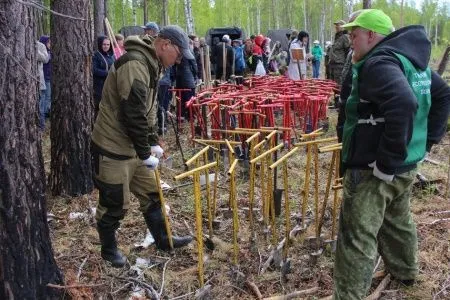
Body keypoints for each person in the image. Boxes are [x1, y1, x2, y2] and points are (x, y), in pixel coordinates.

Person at [333, 9, 450, 299]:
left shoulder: (379, 62)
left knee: (357, 235)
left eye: (355, 33)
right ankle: (406, 272)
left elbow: (403, 103)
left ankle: (349, 295)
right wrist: (426, 142)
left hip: (375, 168)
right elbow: (444, 93)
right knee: (397, 220)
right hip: (406, 163)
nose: (351, 40)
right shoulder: (412, 61)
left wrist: (385, 161)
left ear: (371, 35)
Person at [91, 25, 194, 268]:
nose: (178, 61)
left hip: (134, 147)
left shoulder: (152, 64)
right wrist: (145, 151)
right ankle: (108, 251)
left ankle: (163, 239)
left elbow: (147, 112)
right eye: (178, 55)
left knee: (153, 194)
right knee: (114, 203)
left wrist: (152, 140)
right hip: (113, 147)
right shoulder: (135, 63)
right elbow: (132, 112)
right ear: (165, 44)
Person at [93, 36, 115, 119]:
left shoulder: (112, 56)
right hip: (99, 86)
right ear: (100, 45)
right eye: (104, 44)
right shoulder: (96, 56)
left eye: (108, 44)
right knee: (99, 106)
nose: (106, 46)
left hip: (110, 85)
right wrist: (107, 73)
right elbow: (94, 70)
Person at [175, 45, 198, 120]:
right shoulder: (188, 51)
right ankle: (190, 116)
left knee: (180, 97)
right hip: (188, 79)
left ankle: (180, 116)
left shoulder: (177, 50)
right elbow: (194, 65)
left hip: (178, 77)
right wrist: (195, 75)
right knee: (190, 98)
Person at [329, 20, 351, 85]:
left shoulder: (345, 37)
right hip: (334, 65)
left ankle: (339, 95)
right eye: (336, 25)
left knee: (339, 85)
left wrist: (347, 65)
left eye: (338, 25)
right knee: (334, 85)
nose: (336, 27)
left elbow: (348, 51)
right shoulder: (337, 37)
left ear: (343, 27)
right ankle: (336, 95)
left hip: (340, 65)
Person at [36, 40, 49, 129]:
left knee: (41, 106)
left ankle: (41, 126)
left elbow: (45, 59)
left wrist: (35, 49)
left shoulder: (40, 46)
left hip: (40, 81)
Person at [39, 35, 51, 119]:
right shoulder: (44, 53)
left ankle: (46, 112)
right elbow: (45, 60)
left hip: (49, 77)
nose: (50, 44)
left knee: (48, 96)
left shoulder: (49, 52)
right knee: (45, 97)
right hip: (44, 78)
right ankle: (44, 114)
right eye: (48, 42)